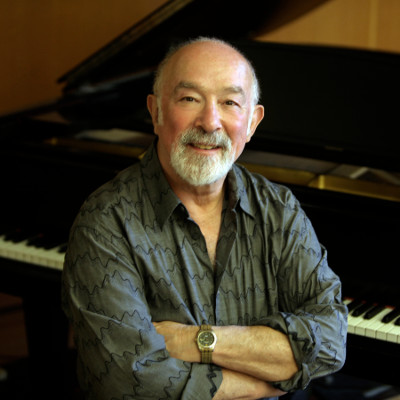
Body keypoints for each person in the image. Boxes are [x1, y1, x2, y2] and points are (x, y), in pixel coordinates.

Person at [62, 37, 347, 400]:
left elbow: (330, 343)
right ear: (156, 112)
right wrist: (264, 384)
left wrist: (194, 341)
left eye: (230, 103)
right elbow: (127, 381)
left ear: (252, 122)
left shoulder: (279, 210)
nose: (210, 122)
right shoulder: (105, 222)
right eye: (189, 99)